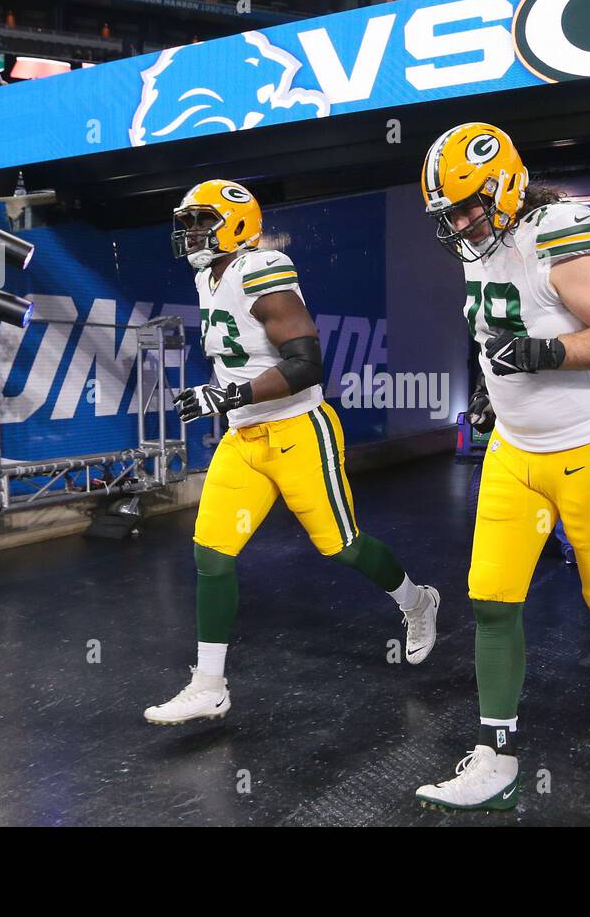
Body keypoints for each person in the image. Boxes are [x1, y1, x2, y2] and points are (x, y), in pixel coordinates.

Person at [415, 123, 590, 813]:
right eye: (446, 214)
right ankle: (494, 756)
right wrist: (494, 389)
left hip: (587, 446)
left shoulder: (555, 233)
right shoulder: (480, 245)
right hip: (514, 451)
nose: (457, 225)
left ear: (503, 185)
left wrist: (543, 357)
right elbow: (500, 332)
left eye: (465, 207)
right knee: (490, 598)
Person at [143, 179, 441, 726]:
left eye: (199, 220)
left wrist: (228, 393)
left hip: (297, 429)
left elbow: (306, 363)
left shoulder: (261, 268)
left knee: (344, 548)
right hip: (243, 437)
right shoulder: (208, 276)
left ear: (234, 224)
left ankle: (417, 601)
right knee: (211, 554)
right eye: (185, 222)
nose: (189, 233)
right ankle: (209, 684)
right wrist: (228, 400)